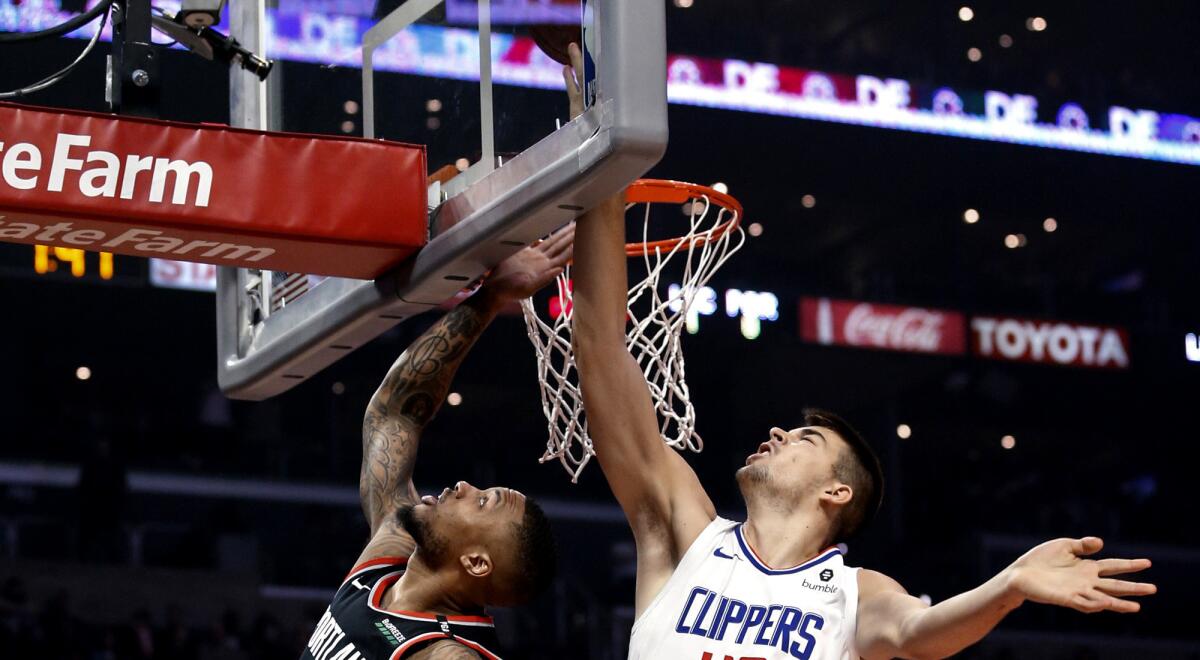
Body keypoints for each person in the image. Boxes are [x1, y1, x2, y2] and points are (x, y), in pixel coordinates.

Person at [561, 43, 1157, 660]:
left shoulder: (853, 595)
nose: (778, 433)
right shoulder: (685, 533)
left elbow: (917, 633)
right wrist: (606, 151)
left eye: (805, 441)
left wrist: (1007, 587)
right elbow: (602, 344)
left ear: (837, 493)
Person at [300, 228, 572, 660]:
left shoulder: (450, 655)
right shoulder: (386, 563)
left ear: (477, 563)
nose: (464, 485)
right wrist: (492, 296)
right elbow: (395, 412)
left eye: (482, 503)